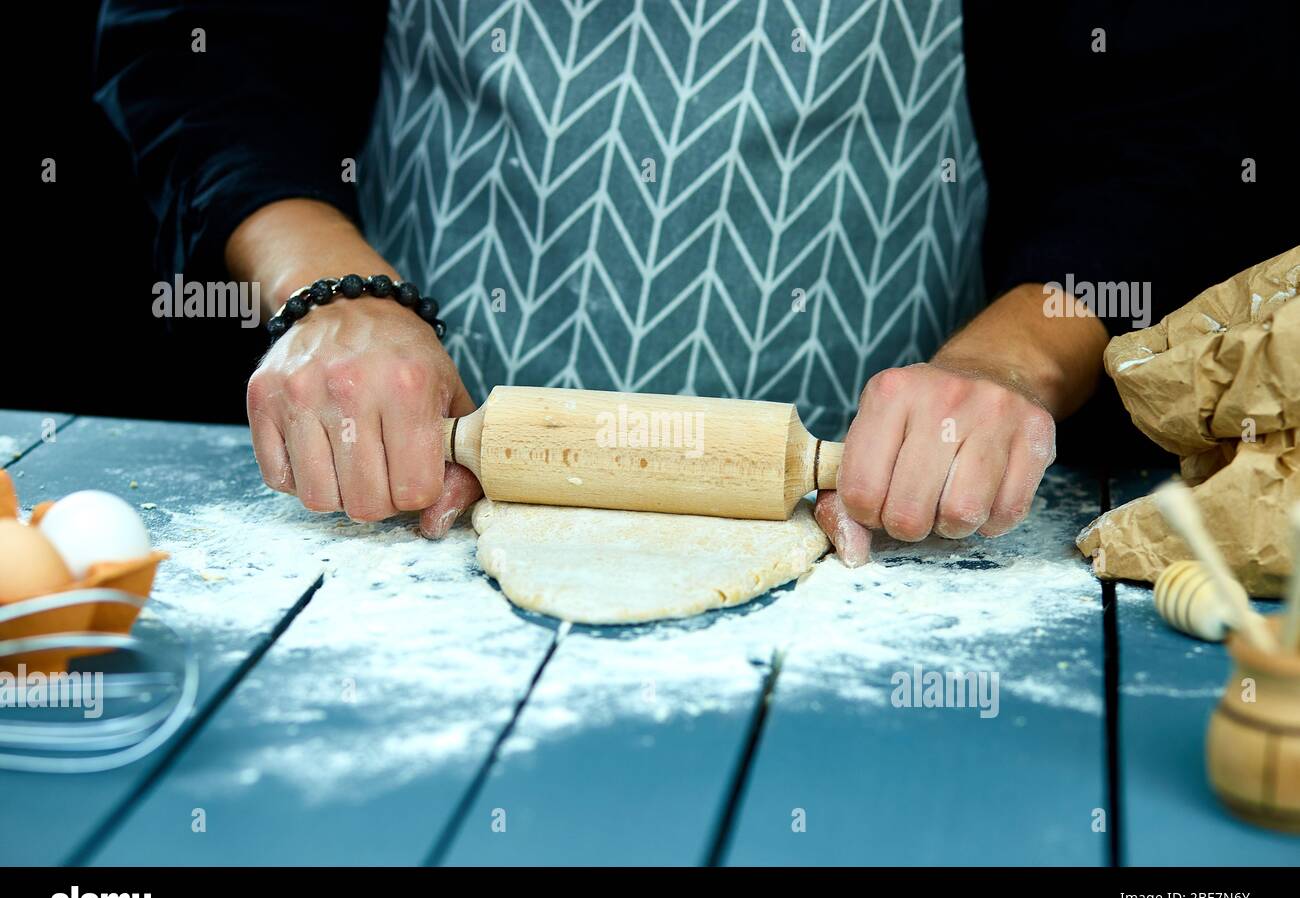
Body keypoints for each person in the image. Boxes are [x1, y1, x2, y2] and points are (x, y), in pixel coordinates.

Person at [94, 1, 1290, 564]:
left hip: (873, 531)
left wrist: (1009, 361)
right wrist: (328, 295)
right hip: (407, 499)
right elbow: (196, 41)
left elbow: (1167, 115)